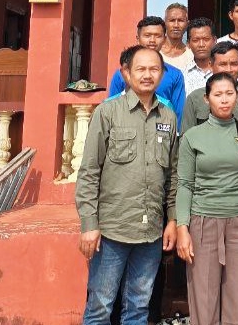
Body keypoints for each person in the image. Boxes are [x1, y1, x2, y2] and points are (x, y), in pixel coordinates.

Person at [75, 45, 179, 325]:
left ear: (162, 74)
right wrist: (89, 224)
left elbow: (173, 175)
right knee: (100, 306)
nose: (147, 75)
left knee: (139, 307)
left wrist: (172, 220)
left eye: (154, 69)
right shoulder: (107, 113)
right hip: (112, 230)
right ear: (126, 73)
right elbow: (89, 172)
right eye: (140, 69)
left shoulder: (168, 117)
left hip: (151, 232)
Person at [175, 72, 238, 325]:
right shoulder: (193, 136)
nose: (224, 100)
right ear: (207, 99)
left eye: (229, 93)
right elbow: (185, 184)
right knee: (203, 298)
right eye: (217, 94)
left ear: (237, 97)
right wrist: (182, 228)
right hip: (203, 222)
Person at [108, 16, 186, 123]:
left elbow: (179, 114)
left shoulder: (175, 75)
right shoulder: (122, 74)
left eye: (157, 36)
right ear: (138, 38)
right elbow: (111, 107)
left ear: (164, 39)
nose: (152, 40)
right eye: (147, 35)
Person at [180, 40, 238, 133]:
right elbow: (186, 136)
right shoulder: (195, 98)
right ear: (211, 65)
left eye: (234, 64)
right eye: (223, 64)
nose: (229, 69)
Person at [182, 17, 215, 96]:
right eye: (195, 40)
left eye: (206, 39)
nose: (201, 45)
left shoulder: (227, 70)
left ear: (214, 40)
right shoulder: (182, 75)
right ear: (188, 44)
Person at [162, 3, 193, 69]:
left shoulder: (192, 56)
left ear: (187, 24)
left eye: (180, 20)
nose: (176, 25)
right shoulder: (155, 52)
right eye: (172, 20)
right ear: (165, 23)